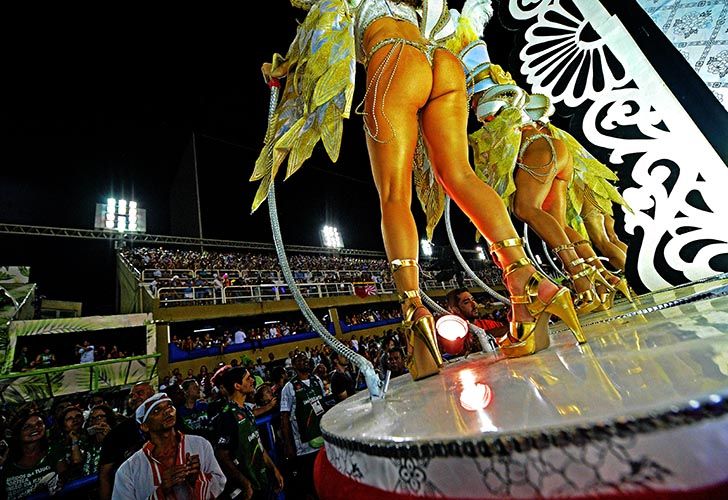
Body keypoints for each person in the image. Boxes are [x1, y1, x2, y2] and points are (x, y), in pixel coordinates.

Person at [257, 0, 585, 368]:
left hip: (394, 59)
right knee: (460, 175)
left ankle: (414, 312)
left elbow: (320, 33)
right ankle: (525, 282)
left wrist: (284, 66)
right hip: (443, 63)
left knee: (395, 194)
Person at [445, 2, 632, 311]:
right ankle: (604, 279)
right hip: (554, 148)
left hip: (536, 149)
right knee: (557, 224)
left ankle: (582, 281)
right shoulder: (497, 80)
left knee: (525, 207)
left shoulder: (484, 85)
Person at [112, 393, 226, 500]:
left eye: (169, 406)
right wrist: (161, 492)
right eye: (157, 410)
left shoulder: (199, 444)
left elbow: (220, 483)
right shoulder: (129, 470)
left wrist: (196, 480)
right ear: (145, 426)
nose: (167, 411)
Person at [210, 367, 284, 500]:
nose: (252, 380)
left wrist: (273, 469)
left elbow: (258, 444)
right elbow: (222, 456)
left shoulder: (247, 410)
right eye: (247, 378)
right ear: (237, 386)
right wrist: (245, 483)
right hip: (250, 489)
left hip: (263, 480)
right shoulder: (227, 416)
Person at [279, 353, 326, 500]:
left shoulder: (316, 380)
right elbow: (284, 417)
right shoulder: (289, 387)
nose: (305, 362)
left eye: (306, 359)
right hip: (304, 446)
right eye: (300, 360)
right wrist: (288, 444)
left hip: (323, 440)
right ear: (294, 365)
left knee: (325, 478)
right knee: (310, 484)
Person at [97, 381, 155, 500]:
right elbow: (104, 476)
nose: (134, 398)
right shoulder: (117, 434)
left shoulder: (170, 421)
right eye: (131, 396)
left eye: (140, 393)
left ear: (153, 395)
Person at [2, 409, 61, 499]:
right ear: (17, 432)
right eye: (27, 426)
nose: (35, 428)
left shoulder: (53, 451)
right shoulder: (5, 458)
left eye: (39, 424)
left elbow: (64, 476)